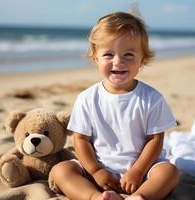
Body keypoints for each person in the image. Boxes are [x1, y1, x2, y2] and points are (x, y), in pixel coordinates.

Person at [50, 11, 179, 200]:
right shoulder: (87, 98)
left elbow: (155, 140)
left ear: (142, 59)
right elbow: (80, 140)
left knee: (170, 172)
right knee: (61, 170)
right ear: (96, 58)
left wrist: (137, 170)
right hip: (100, 171)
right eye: (108, 54)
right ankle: (95, 197)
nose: (118, 61)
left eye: (128, 54)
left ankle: (141, 196)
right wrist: (95, 171)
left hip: (143, 172)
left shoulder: (152, 98)